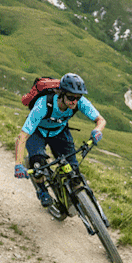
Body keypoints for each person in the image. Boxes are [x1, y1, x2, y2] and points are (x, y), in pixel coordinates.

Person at [13, 73, 106, 213]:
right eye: (70, 97)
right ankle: (42, 189)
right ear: (61, 94)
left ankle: (78, 200)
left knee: (74, 171)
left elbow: (100, 120)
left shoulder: (79, 102)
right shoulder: (43, 105)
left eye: (78, 98)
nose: (74, 101)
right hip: (37, 132)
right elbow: (22, 136)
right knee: (38, 164)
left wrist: (97, 131)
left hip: (59, 132)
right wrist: (19, 164)